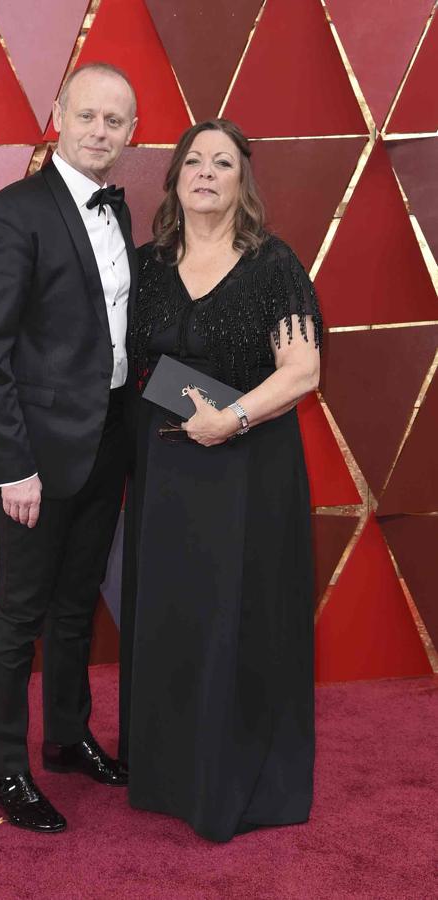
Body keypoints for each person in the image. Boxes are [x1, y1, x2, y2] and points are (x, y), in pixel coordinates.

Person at [119, 119, 322, 843]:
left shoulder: (273, 265)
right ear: (175, 178)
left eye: (222, 163)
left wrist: (230, 420)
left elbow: (302, 371)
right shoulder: (146, 265)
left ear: (242, 180)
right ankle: (171, 773)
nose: (206, 173)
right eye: (193, 162)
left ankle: (236, 776)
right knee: (175, 614)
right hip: (166, 468)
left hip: (249, 466)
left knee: (240, 615)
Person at [0, 62, 138, 833]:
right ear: (58, 116)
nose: (101, 131)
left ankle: (66, 738)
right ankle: (6, 769)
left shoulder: (121, 213)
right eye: (89, 116)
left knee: (75, 607)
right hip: (35, 456)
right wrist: (15, 467)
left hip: (108, 440)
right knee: (19, 613)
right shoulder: (13, 213)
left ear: (131, 132)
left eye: (116, 121)